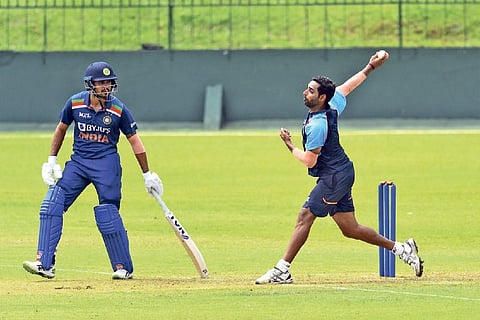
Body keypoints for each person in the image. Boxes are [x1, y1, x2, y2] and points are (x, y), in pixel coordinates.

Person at [255, 50, 424, 284]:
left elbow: (309, 161)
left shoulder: (318, 126)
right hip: (341, 172)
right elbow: (347, 87)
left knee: (305, 216)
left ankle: (282, 270)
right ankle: (401, 248)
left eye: (311, 90)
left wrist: (290, 146)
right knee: (350, 228)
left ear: (322, 97)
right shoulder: (331, 105)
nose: (305, 92)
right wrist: (370, 67)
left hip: (334, 176)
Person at [23, 61, 163, 280]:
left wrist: (147, 174)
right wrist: (51, 160)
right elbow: (61, 129)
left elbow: (135, 141)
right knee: (51, 204)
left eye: (109, 82)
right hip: (78, 163)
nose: (106, 87)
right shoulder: (75, 103)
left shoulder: (118, 109)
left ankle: (122, 268)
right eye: (101, 83)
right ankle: (45, 263)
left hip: (106, 164)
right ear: (91, 85)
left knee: (107, 213)